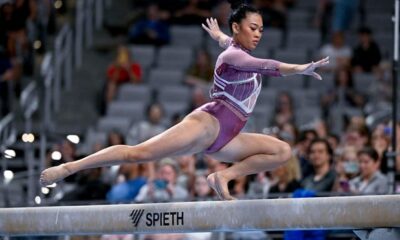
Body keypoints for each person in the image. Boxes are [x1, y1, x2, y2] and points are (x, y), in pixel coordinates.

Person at [40, 0, 329, 200]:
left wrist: (218, 35)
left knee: (282, 151)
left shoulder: (232, 47)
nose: (258, 34)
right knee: (138, 154)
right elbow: (268, 66)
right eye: (252, 27)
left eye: (261, 29)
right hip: (208, 124)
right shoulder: (233, 57)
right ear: (237, 28)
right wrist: (301, 68)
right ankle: (69, 167)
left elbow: (227, 42)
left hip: (227, 139)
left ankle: (224, 177)